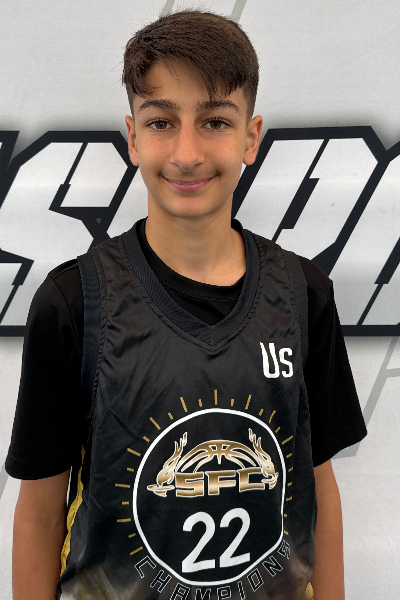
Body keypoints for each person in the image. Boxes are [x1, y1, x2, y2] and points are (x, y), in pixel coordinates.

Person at [5, 9, 367, 600]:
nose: (187, 152)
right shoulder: (72, 303)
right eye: (162, 122)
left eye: (215, 121)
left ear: (251, 137)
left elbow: (319, 485)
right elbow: (40, 512)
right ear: (132, 137)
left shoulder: (304, 294)